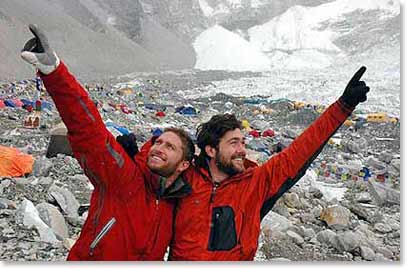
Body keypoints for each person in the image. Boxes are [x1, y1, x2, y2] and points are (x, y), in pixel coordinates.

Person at [20, 24, 194, 261]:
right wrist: (54, 72)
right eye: (159, 142)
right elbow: (87, 128)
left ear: (184, 164)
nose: (159, 148)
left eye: (170, 147)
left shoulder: (174, 203)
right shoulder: (124, 177)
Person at [169, 67, 370, 260]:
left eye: (243, 142)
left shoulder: (256, 183)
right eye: (233, 143)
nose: (242, 150)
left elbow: (301, 150)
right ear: (211, 150)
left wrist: (342, 107)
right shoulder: (184, 178)